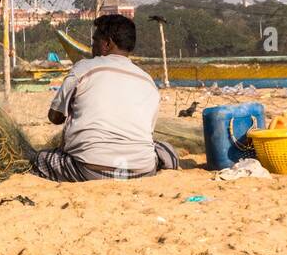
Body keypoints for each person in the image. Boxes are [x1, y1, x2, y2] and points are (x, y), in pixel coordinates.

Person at [32, 13, 179, 181]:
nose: (92, 47)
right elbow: (148, 134)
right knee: (163, 148)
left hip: (88, 168)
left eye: (94, 41)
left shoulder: (84, 68)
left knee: (40, 159)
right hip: (142, 169)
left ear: (107, 43)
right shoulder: (147, 81)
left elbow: (55, 117)